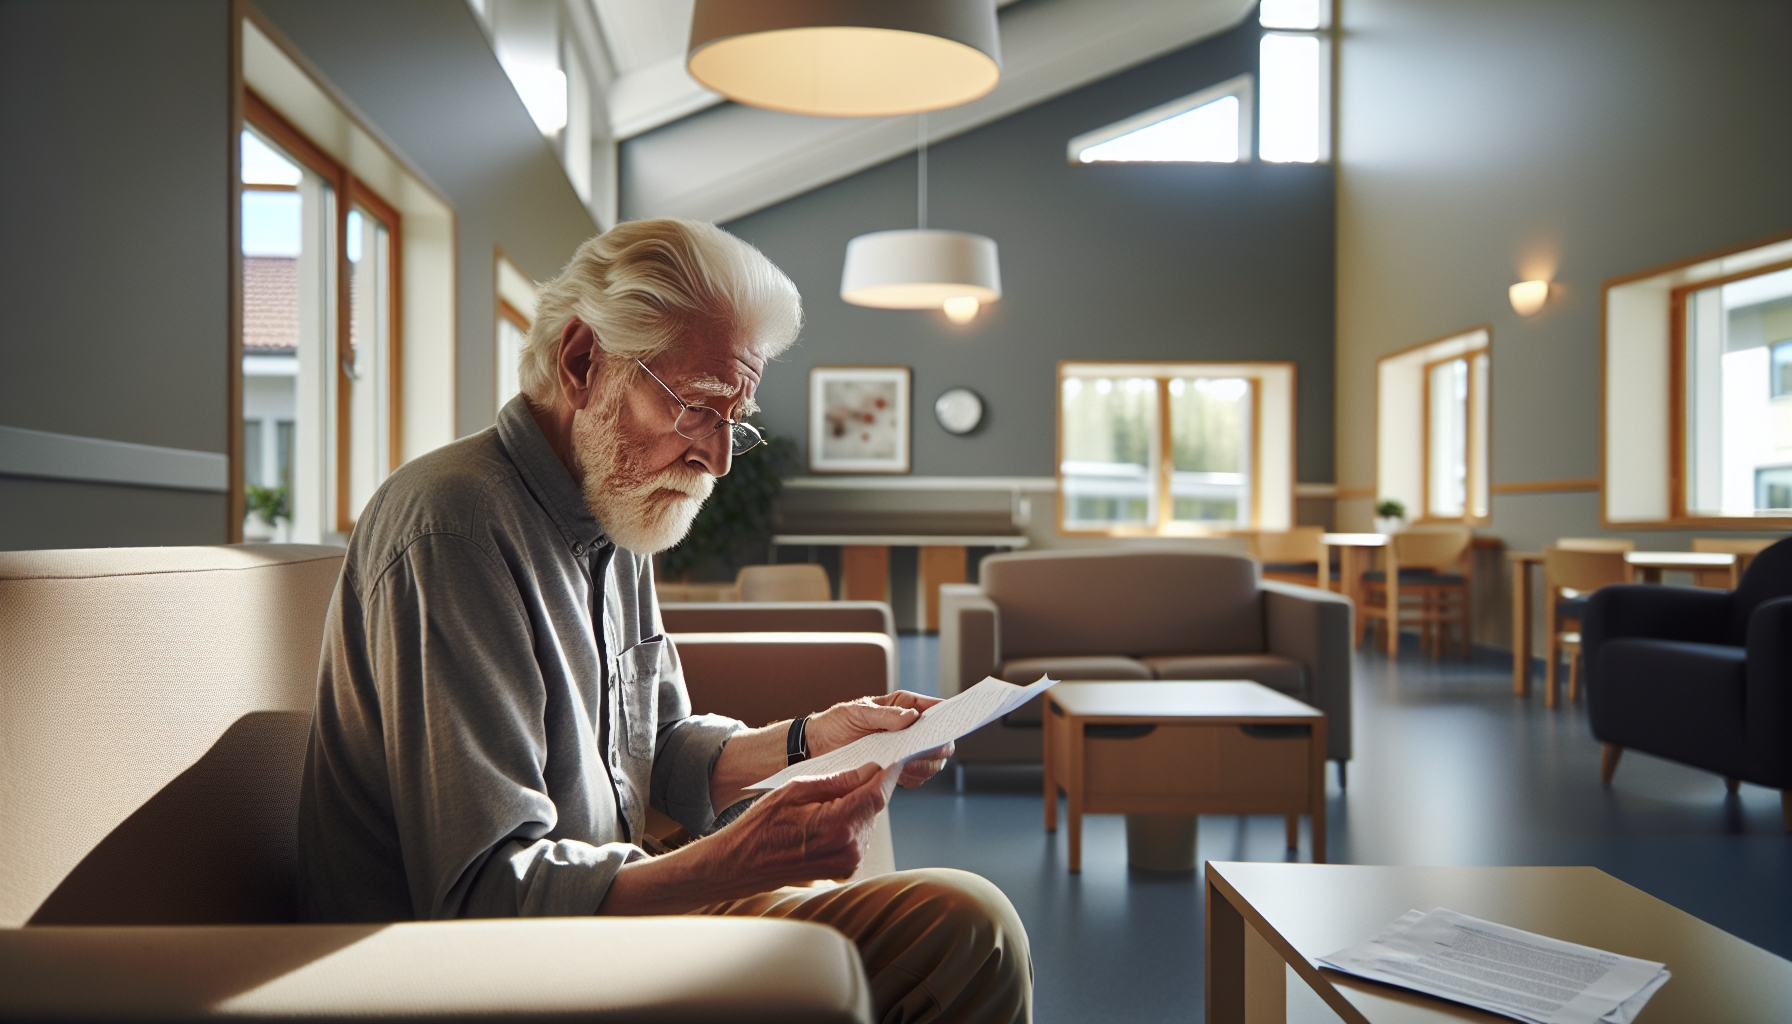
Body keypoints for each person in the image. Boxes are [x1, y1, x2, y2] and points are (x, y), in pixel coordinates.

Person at [296, 218, 1031, 1023]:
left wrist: (812, 739)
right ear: (584, 362)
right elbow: (481, 897)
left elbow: (657, 749)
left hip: (602, 919)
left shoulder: (613, 505)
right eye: (699, 408)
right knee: (964, 932)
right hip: (491, 973)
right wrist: (730, 862)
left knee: (966, 928)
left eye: (734, 420)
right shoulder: (455, 527)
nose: (716, 459)